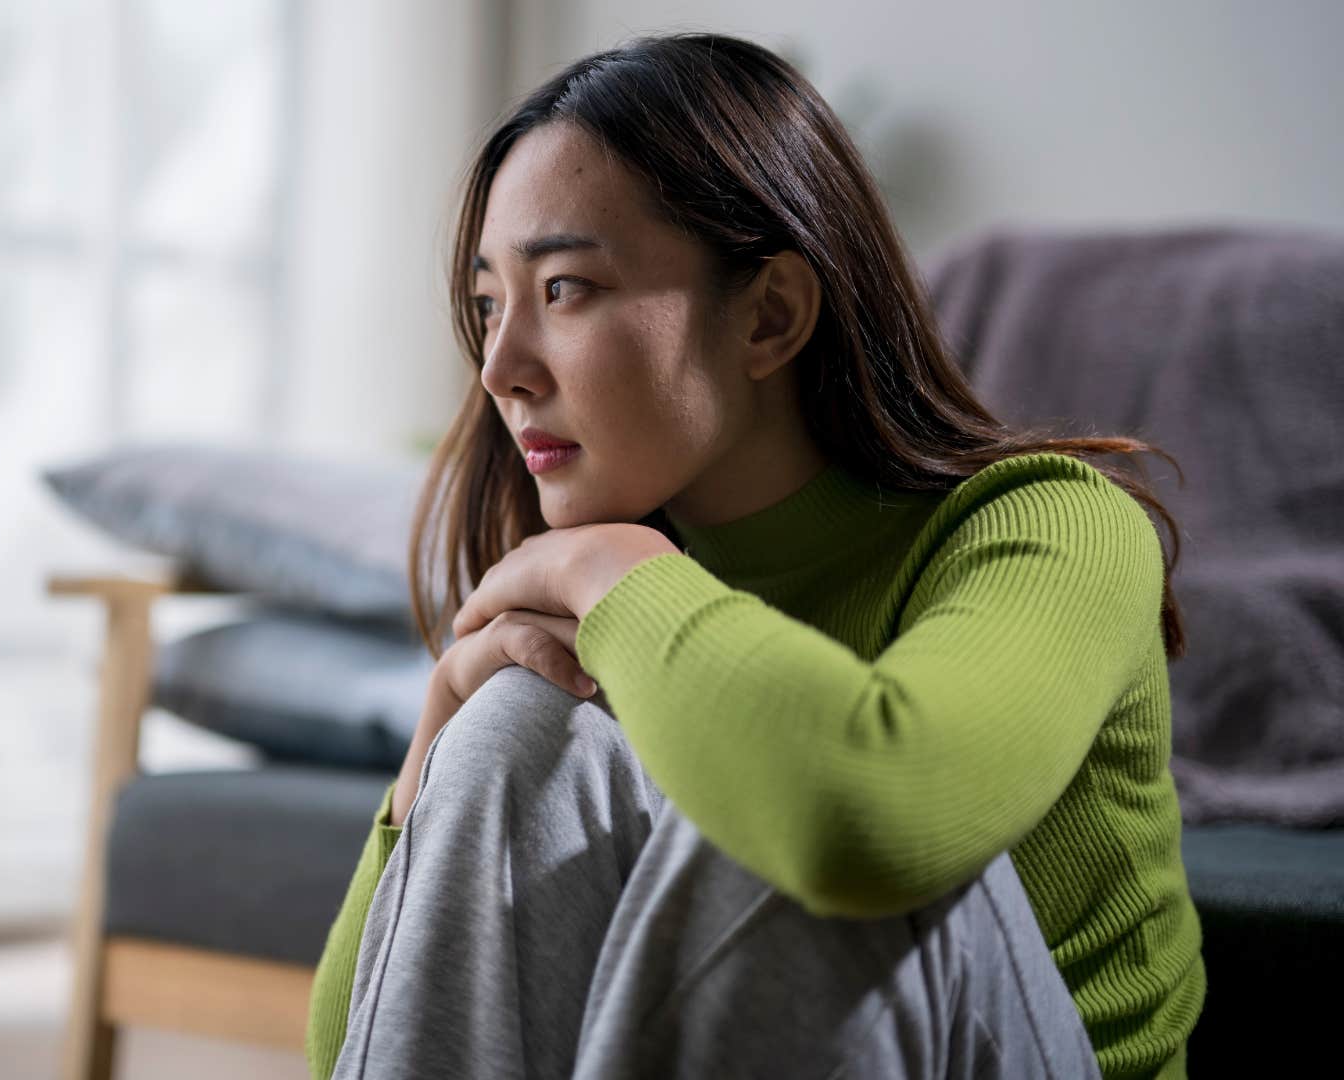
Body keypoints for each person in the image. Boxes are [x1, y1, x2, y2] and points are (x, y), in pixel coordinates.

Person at [303, 31, 1205, 1080]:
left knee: (767, 799)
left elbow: (860, 822)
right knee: (515, 723)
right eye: (488, 303)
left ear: (770, 315)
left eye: (564, 290)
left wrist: (611, 574)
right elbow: (346, 1055)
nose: (501, 369)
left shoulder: (1055, 526)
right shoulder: (625, 615)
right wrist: (435, 747)